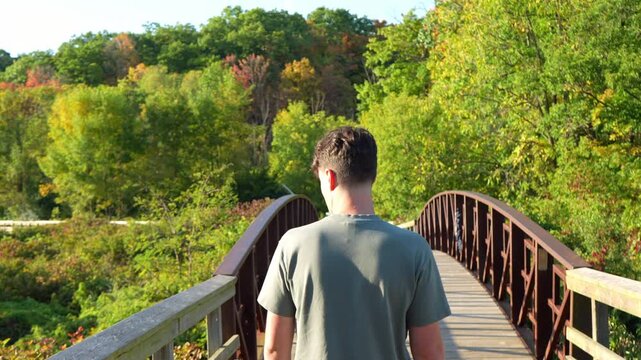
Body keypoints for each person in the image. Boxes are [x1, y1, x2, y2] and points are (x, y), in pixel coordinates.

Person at [257, 126, 450, 360]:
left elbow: (275, 350)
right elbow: (430, 353)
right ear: (373, 176)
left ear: (329, 177)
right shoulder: (414, 248)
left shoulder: (292, 245)